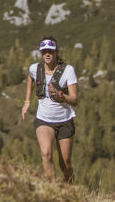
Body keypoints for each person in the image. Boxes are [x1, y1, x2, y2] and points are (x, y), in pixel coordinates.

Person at [21, 35, 79, 182]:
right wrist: (27, 101)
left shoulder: (68, 71)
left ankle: (70, 189)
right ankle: (51, 188)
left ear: (56, 52)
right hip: (44, 120)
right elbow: (30, 79)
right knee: (46, 154)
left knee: (65, 163)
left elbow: (75, 99)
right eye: (44, 51)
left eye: (50, 51)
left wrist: (62, 96)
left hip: (65, 120)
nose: (47, 54)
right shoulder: (35, 68)